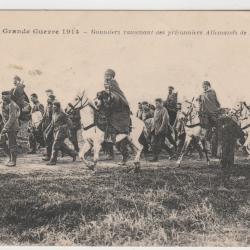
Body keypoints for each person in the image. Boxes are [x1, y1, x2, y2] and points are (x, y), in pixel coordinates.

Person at [103, 69, 131, 165]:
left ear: (112, 76)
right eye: (105, 75)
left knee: (121, 136)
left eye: (108, 75)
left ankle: (125, 156)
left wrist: (109, 99)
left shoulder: (113, 84)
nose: (106, 76)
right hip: (112, 110)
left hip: (120, 112)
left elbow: (116, 96)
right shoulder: (106, 83)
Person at [46, 101, 77, 165]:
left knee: (55, 145)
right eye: (53, 107)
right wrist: (48, 132)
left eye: (55, 107)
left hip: (62, 132)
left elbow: (70, 124)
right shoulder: (54, 114)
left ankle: (53, 161)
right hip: (56, 132)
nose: (53, 108)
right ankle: (73, 154)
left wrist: (61, 127)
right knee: (61, 146)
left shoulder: (63, 114)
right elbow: (52, 124)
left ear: (58, 107)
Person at [199, 81, 221, 157]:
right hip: (205, 115)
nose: (203, 87)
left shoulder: (211, 92)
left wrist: (217, 109)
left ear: (208, 86)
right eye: (203, 86)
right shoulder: (203, 94)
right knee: (207, 135)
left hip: (212, 115)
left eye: (205, 86)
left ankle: (214, 153)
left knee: (214, 135)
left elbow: (216, 103)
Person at [0, 91, 20, 166]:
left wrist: (6, 127)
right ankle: (9, 157)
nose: (3, 97)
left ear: (9, 96)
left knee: (12, 144)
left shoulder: (12, 104)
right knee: (2, 142)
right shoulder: (2, 104)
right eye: (2, 96)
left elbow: (12, 117)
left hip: (12, 127)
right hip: (4, 126)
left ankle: (13, 161)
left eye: (5, 96)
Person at [41, 94, 56, 161]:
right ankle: (71, 153)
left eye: (49, 98)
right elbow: (44, 116)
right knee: (48, 139)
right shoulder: (47, 106)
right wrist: (40, 124)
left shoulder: (54, 107)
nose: (48, 99)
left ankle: (49, 155)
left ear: (52, 100)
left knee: (49, 139)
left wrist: (51, 126)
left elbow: (54, 118)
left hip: (52, 124)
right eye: (48, 98)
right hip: (47, 124)